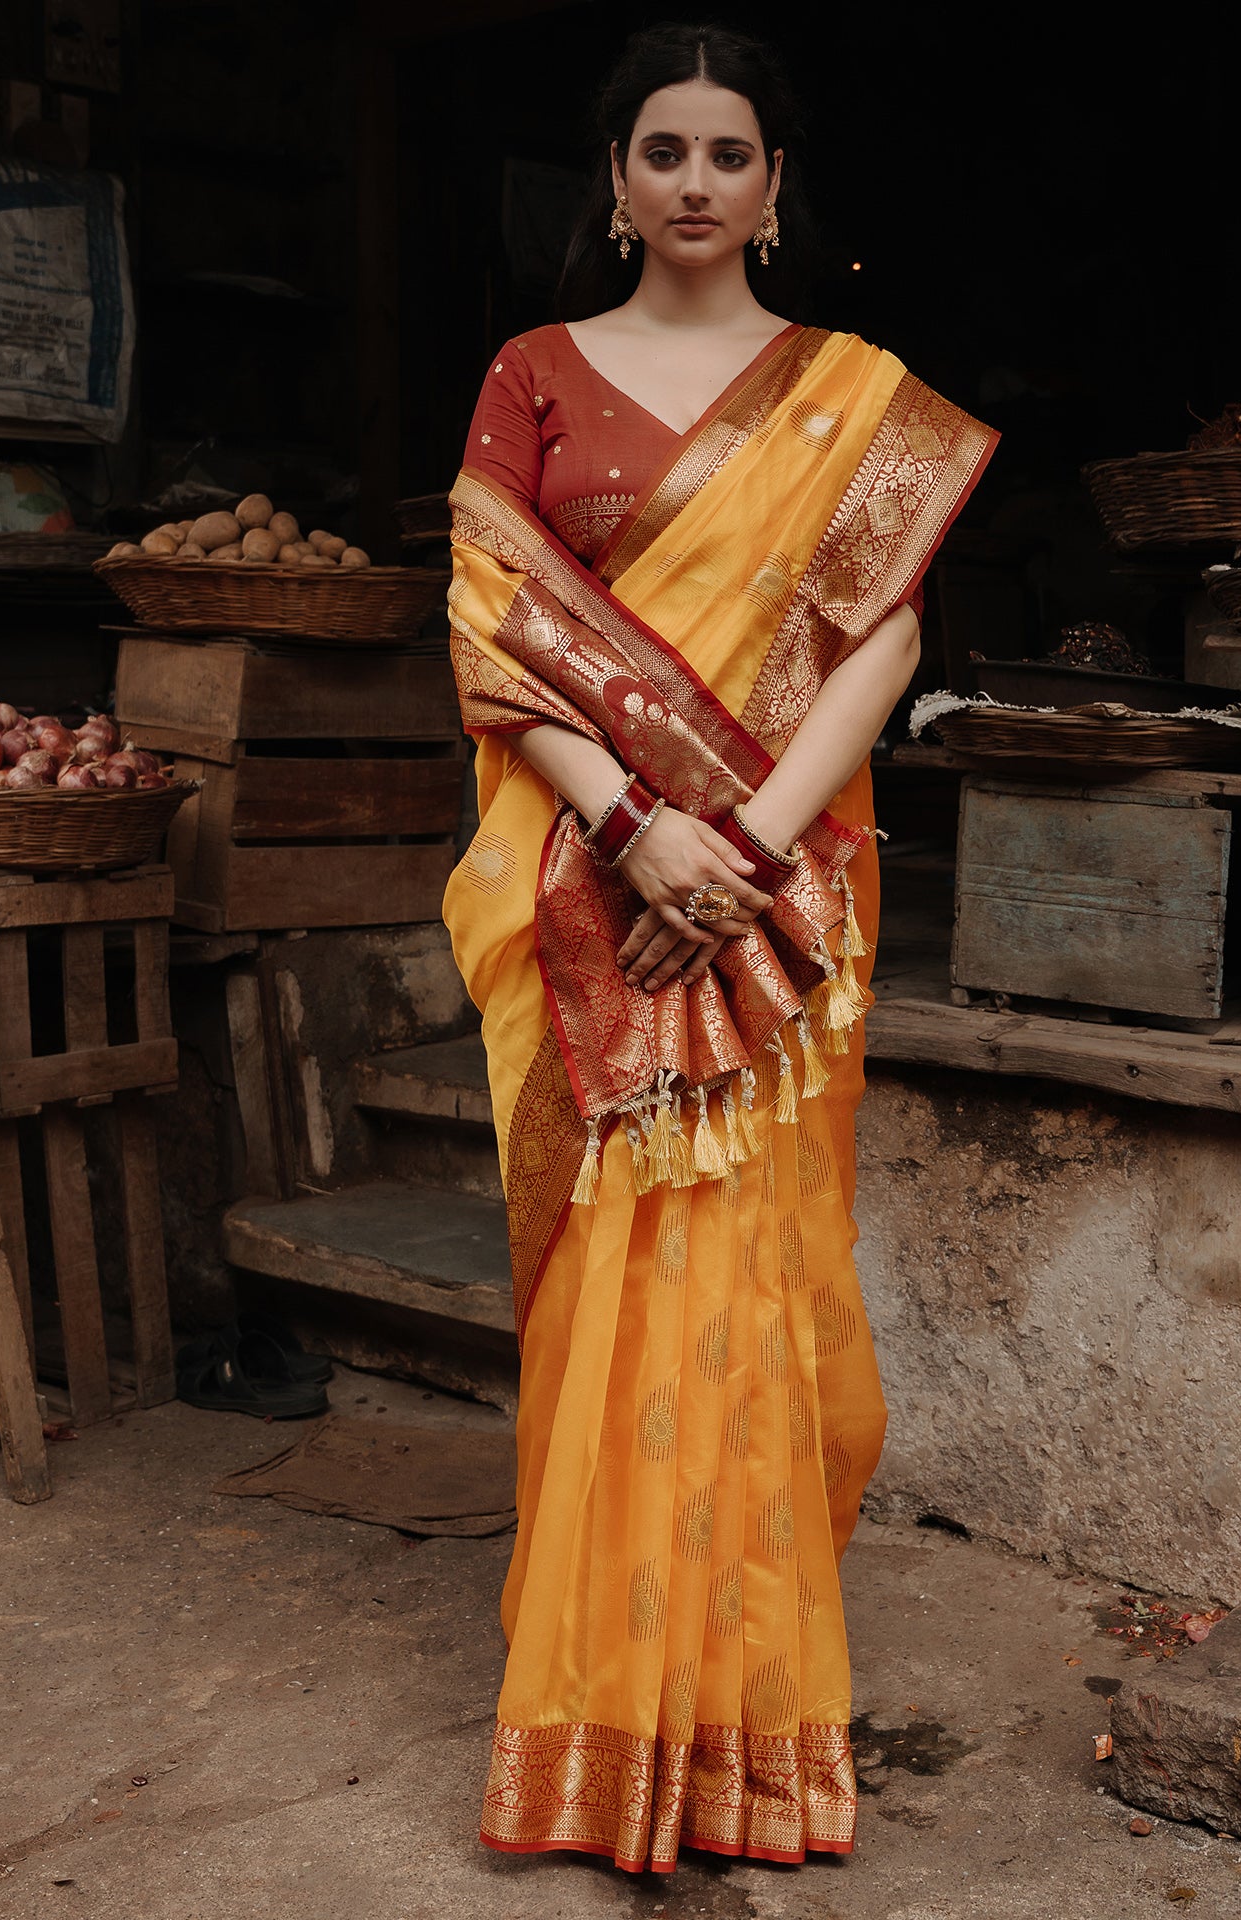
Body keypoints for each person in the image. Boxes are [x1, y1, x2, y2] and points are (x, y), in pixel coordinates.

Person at [441, 21, 996, 1875]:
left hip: (775, 898)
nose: (692, 181)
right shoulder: (532, 375)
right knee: (612, 1285)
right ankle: (601, 1713)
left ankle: (750, 1716)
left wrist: (746, 845)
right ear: (612, 180)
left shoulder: (847, 389)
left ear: (774, 186)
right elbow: (493, 637)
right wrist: (636, 824)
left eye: (728, 153)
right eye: (660, 149)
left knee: (762, 1282)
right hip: (594, 880)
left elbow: (882, 642)